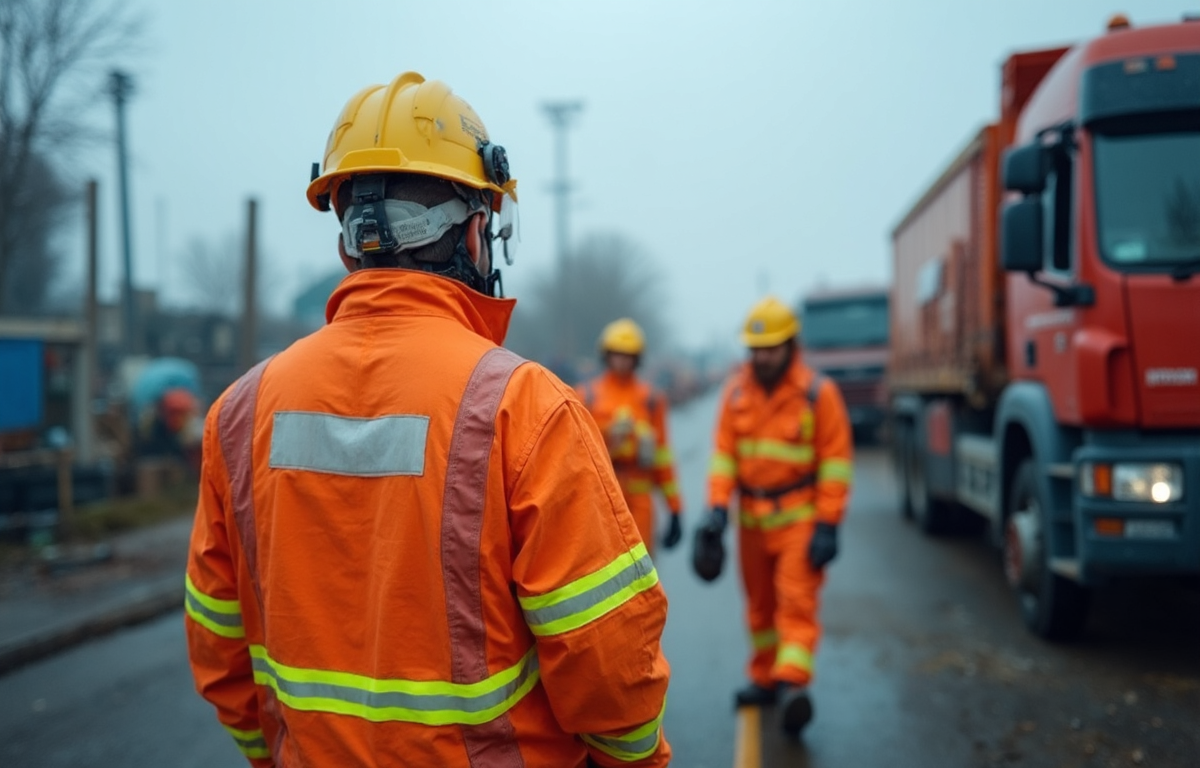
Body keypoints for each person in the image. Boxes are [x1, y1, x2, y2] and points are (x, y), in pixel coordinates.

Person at [184, 72, 672, 768]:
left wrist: (274, 755)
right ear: (476, 233)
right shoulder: (525, 406)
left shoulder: (238, 415)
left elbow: (217, 638)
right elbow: (608, 660)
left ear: (348, 244)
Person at [698, 296, 853, 738]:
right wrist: (715, 509)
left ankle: (793, 686)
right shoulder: (736, 393)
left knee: (796, 604)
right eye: (755, 349)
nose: (762, 356)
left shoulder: (817, 394)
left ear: (790, 345)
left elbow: (836, 462)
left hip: (799, 521)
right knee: (759, 607)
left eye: (770, 348)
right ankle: (766, 677)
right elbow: (724, 455)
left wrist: (828, 523)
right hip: (750, 521)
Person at [575, 318, 684, 557]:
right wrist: (608, 435)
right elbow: (574, 452)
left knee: (642, 574)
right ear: (607, 355)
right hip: (601, 498)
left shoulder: (652, 399)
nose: (623, 361)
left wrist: (675, 507)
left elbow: (663, 457)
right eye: (617, 354)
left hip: (640, 500)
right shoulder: (587, 396)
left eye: (629, 355)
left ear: (637, 358)